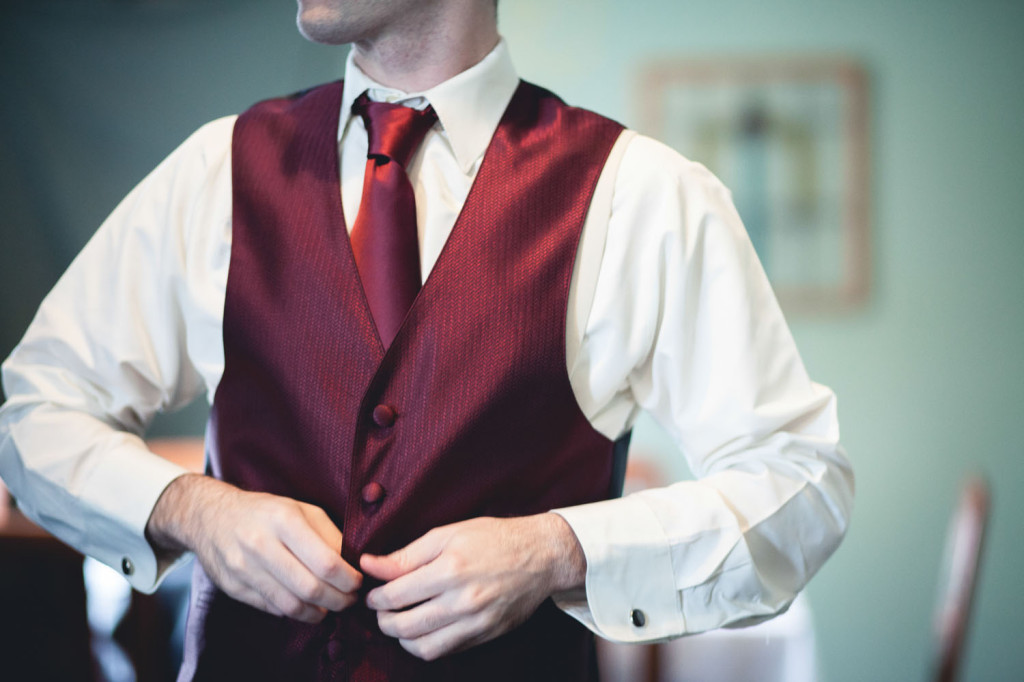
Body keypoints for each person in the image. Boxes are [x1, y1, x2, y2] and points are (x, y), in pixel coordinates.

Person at [0, 0, 854, 679]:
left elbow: (801, 483)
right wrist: (191, 510)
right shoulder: (218, 169)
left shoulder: (642, 195)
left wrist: (559, 551)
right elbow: (34, 413)